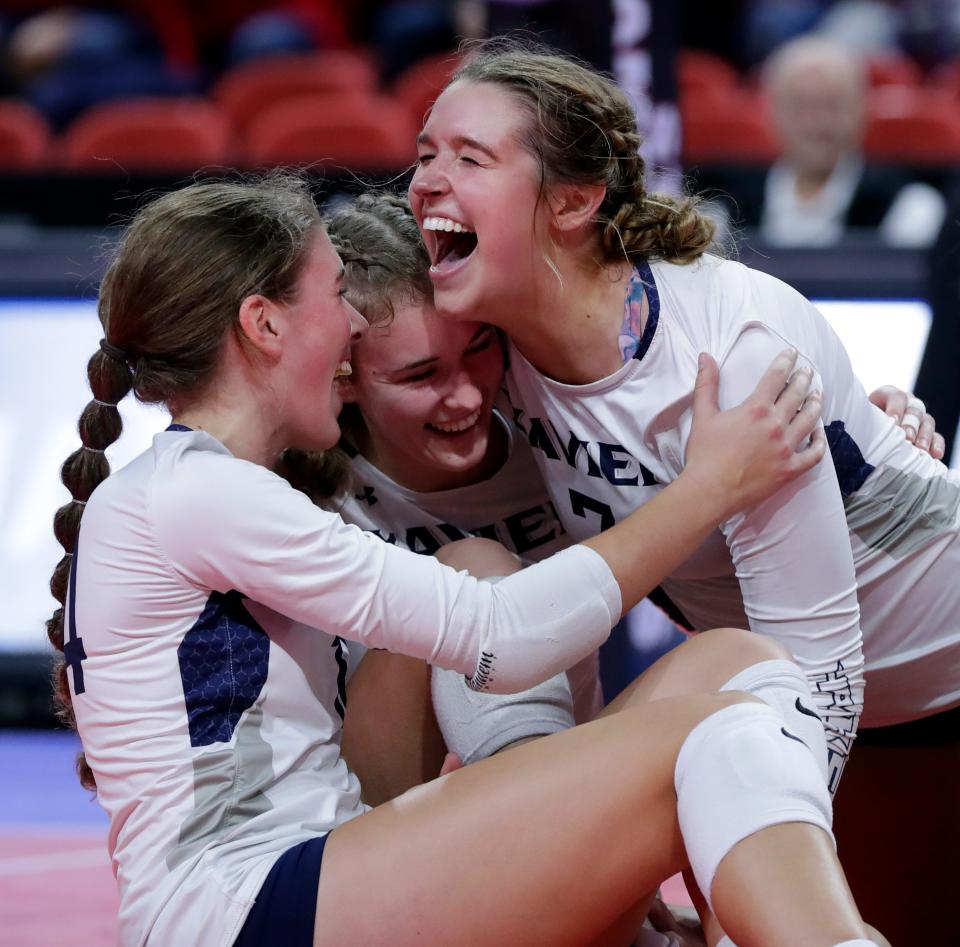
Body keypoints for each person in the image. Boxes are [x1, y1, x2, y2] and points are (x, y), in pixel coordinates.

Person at [47, 173, 882, 947]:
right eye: (337, 294)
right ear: (265, 324)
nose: (350, 331)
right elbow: (499, 635)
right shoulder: (200, 493)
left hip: (310, 870)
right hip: (246, 907)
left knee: (742, 669)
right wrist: (714, 486)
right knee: (712, 727)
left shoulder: (208, 487)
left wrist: (875, 427)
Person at [407, 38, 960, 944]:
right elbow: (530, 615)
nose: (428, 179)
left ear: (575, 201)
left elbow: (815, 672)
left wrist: (745, 901)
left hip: (901, 691)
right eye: (425, 153)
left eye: (470, 157)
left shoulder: (722, 351)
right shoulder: (486, 353)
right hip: (862, 719)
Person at [709, 34, 946, 247]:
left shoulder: (908, 205)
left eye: (833, 105)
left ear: (861, 112)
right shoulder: (727, 208)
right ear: (772, 114)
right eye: (800, 106)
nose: (817, 123)